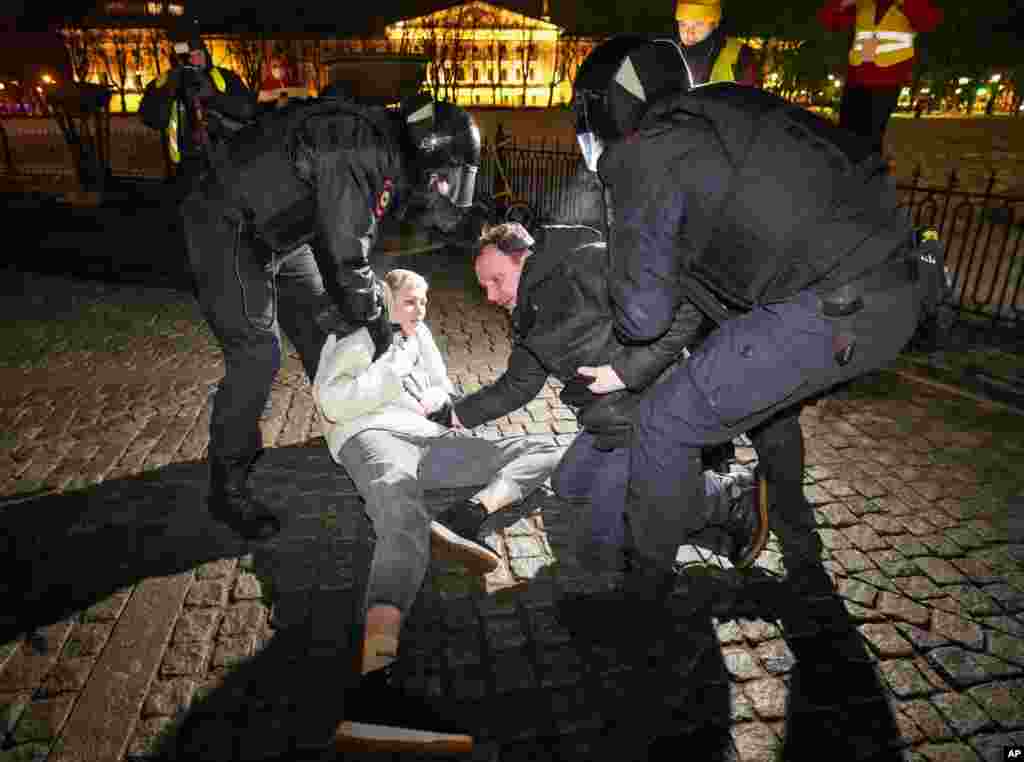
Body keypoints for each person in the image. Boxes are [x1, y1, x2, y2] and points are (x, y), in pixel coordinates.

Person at [570, 37, 948, 609]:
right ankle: (802, 553)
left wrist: (616, 265)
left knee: (666, 422)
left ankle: (643, 595)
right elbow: (698, 291)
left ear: (609, 104)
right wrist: (624, 372)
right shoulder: (720, 112)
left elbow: (645, 313)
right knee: (768, 408)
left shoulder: (645, 152)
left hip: (834, 300)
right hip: (894, 285)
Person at [181, 93, 484, 541]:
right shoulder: (362, 151)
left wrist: (370, 315)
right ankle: (227, 483)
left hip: (279, 229)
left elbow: (358, 228)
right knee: (258, 355)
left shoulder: (382, 145)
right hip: (229, 227)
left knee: (325, 326)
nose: (444, 188)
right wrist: (383, 328)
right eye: (445, 178)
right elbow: (348, 259)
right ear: (429, 152)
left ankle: (355, 419)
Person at [314, 268, 562, 752]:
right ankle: (372, 693)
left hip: (429, 441)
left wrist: (440, 397)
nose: (420, 310)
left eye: (425, 301)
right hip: (374, 436)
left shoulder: (419, 333)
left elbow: (440, 383)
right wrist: (393, 362)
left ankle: (465, 516)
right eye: (410, 301)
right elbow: (332, 401)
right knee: (400, 517)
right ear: (385, 300)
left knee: (546, 449)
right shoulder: (360, 333)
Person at [450, 222, 769, 580]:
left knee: (601, 540)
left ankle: (728, 498)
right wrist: (454, 415)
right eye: (484, 288)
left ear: (523, 257)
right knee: (569, 484)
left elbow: (681, 300)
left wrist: (624, 372)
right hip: (609, 421)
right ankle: (689, 496)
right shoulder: (528, 317)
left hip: (653, 413)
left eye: (496, 280)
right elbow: (516, 387)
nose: (491, 297)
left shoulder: (586, 264)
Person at [138, 20, 257, 198]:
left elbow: (249, 110)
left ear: (206, 54)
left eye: (198, 54)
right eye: (188, 57)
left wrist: (215, 97)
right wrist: (168, 93)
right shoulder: (166, 83)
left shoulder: (224, 78)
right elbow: (150, 117)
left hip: (228, 162)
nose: (194, 61)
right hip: (185, 170)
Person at [818, 0, 942, 155]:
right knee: (845, 135)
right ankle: (848, 173)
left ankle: (869, 173)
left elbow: (929, 21)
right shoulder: (863, 4)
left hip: (887, 80)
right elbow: (828, 20)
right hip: (856, 79)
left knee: (871, 138)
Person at [666, 0, 760, 88]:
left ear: (715, 23)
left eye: (699, 24)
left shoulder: (740, 55)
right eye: (683, 24)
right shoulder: (666, 55)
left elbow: (752, 101)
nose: (689, 33)